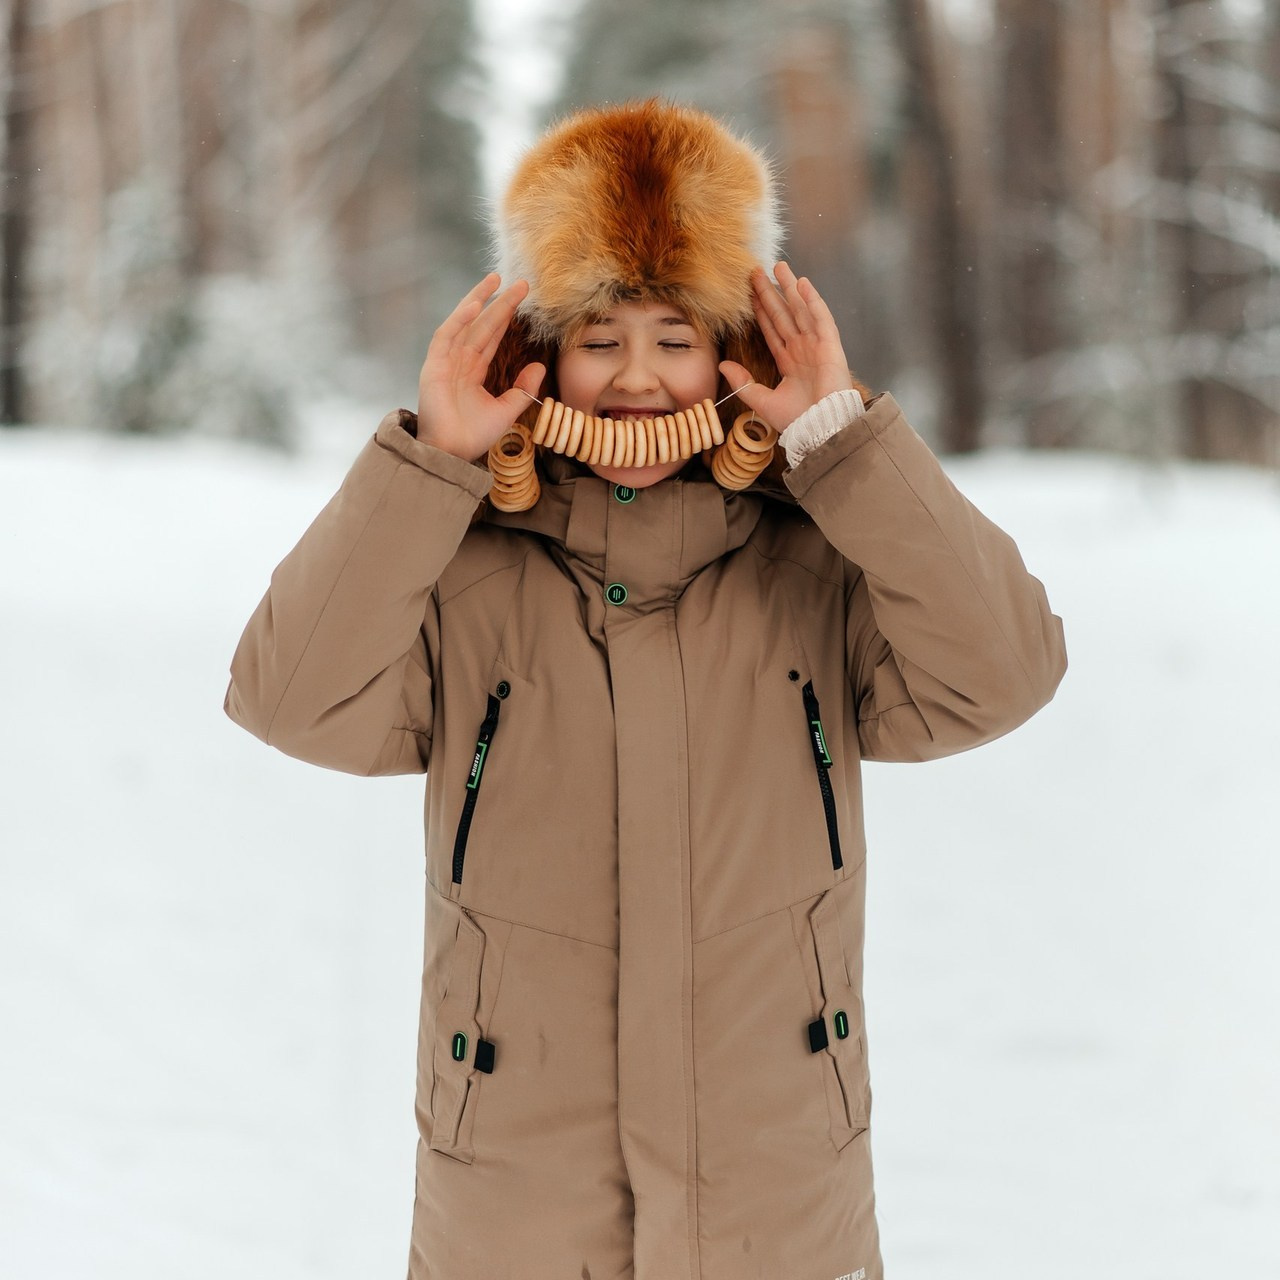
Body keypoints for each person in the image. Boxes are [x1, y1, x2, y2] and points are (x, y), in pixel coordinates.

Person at [224, 98, 1067, 1280]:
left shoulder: (815, 555)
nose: (637, 380)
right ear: (537, 353)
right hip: (516, 1206)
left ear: (735, 349)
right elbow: (289, 698)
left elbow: (1007, 671)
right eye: (599, 337)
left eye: (675, 338)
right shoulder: (464, 560)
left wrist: (847, 442)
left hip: (777, 1196)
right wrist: (431, 464)